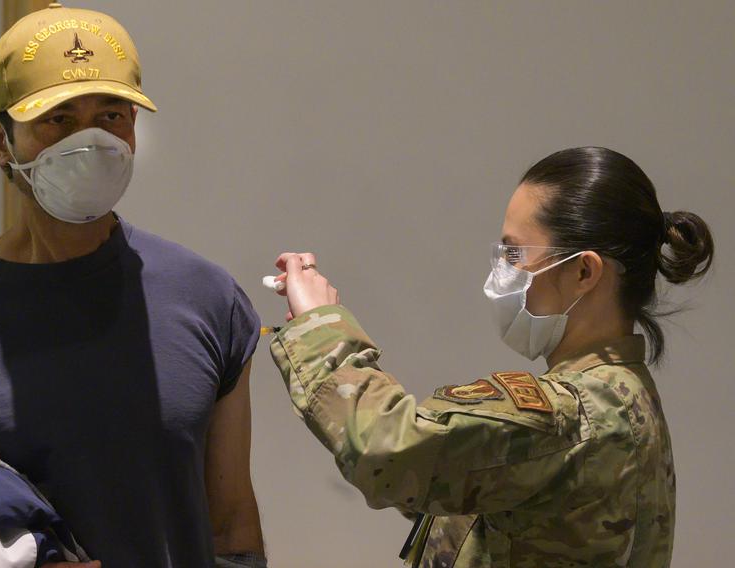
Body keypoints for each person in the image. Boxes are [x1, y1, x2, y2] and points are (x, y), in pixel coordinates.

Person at [0, 3, 266, 567]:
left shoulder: (205, 300)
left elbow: (231, 527)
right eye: (57, 119)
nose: (91, 142)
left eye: (112, 115)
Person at [267, 146, 713, 566]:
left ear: (583, 271)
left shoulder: (575, 416)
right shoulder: (625, 399)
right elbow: (467, 484)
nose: (503, 272)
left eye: (516, 253)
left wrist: (320, 326)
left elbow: (387, 451)